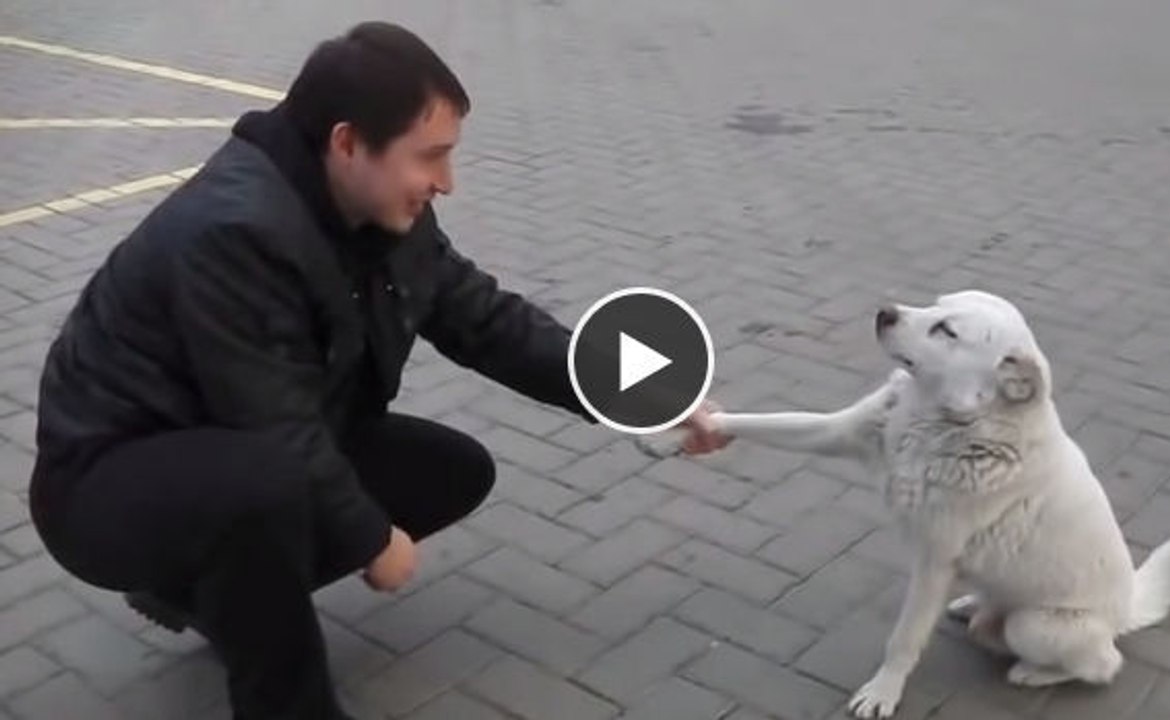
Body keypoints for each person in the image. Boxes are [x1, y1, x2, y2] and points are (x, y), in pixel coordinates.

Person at [27, 21, 728, 720]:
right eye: (431, 157)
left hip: (232, 451)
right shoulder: (231, 232)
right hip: (104, 484)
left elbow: (487, 322)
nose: (446, 183)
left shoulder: (387, 210)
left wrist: (647, 395)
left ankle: (208, 597)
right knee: (265, 486)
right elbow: (273, 421)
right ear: (347, 143)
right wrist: (367, 536)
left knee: (450, 470)